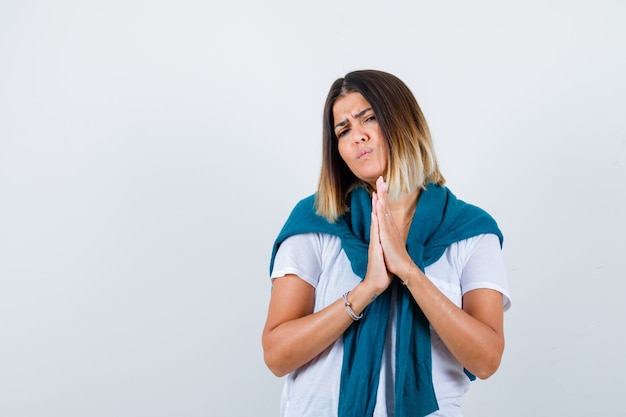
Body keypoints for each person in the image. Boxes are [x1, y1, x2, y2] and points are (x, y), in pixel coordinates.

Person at [262, 69, 511, 417]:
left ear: (404, 122)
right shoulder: (315, 221)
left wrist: (409, 271)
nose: (357, 137)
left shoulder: (470, 231)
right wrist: (368, 288)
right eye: (343, 129)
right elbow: (277, 355)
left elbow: (486, 360)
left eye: (370, 119)